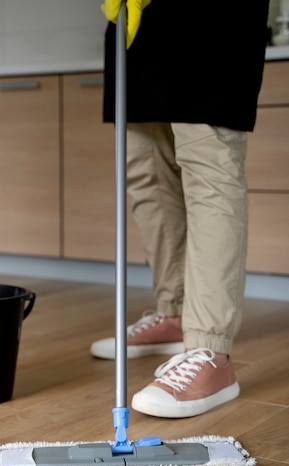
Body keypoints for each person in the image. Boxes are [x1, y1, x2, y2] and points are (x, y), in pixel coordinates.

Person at [91, 0, 270, 418]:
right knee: (144, 166)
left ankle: (211, 350)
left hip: (209, 16)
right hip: (140, 17)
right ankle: (173, 314)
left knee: (209, 164)